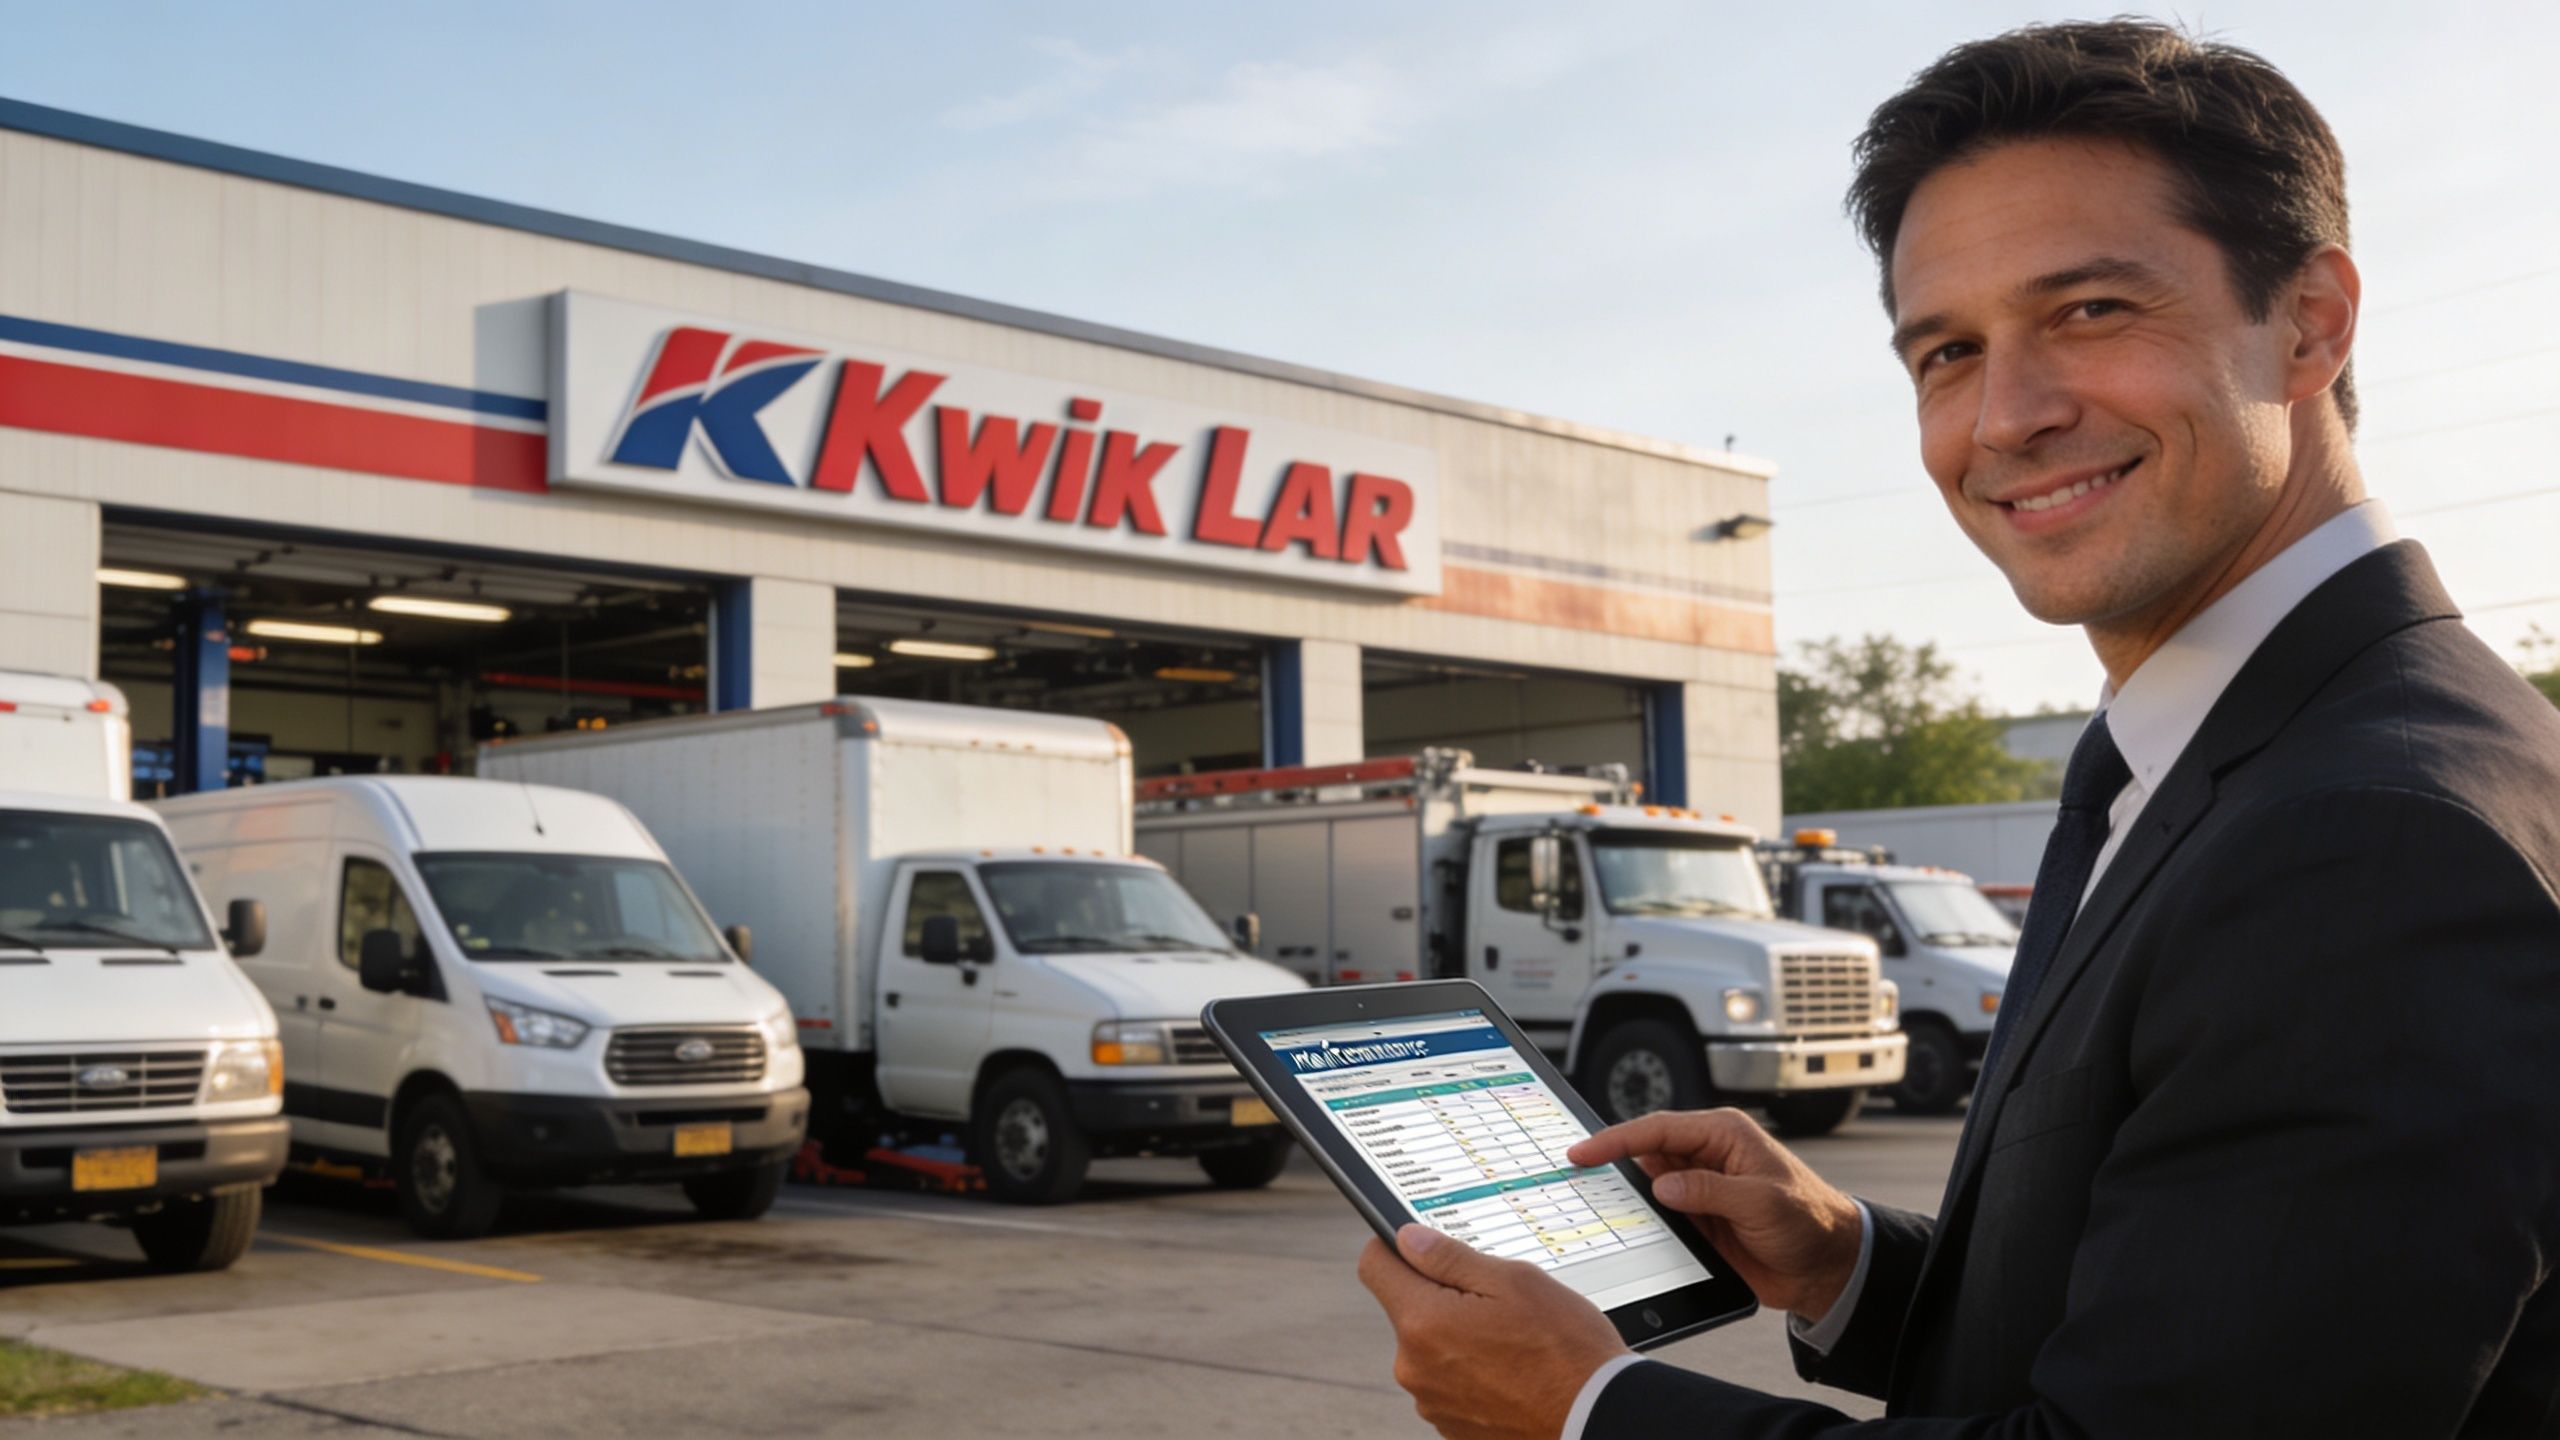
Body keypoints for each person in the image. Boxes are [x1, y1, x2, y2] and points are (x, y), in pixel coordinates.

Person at [1358, 19, 2560, 1437]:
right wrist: (1846, 1263)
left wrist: (1585, 1410)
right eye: (1945, 350)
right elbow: (2194, 1317)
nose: (2006, 416)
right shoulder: (2254, 753)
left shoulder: (2368, 835)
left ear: (2311, 322)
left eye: (2091, 311)